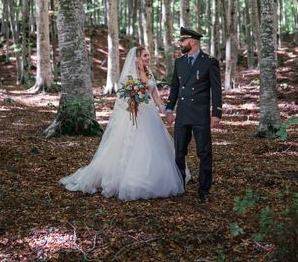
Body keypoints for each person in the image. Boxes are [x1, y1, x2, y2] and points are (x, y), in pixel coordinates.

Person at [60, 47, 185, 200]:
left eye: (148, 55)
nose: (148, 58)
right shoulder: (129, 75)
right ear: (137, 57)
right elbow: (123, 98)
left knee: (154, 145)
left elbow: (156, 96)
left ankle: (156, 178)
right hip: (134, 116)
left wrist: (165, 110)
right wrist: (133, 100)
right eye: (145, 55)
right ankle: (129, 180)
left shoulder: (149, 72)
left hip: (150, 115)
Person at [165, 27, 222, 204]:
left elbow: (216, 89)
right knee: (179, 152)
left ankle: (204, 190)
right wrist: (169, 109)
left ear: (192, 42)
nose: (180, 44)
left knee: (204, 152)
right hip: (182, 114)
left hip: (200, 114)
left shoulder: (209, 62)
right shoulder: (180, 62)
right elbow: (175, 87)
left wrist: (216, 113)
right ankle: (179, 185)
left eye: (182, 41)